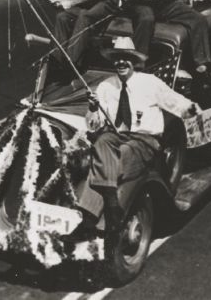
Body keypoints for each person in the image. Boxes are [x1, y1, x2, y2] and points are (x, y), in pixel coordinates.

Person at [66, 37, 198, 240]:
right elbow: (94, 125)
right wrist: (93, 109)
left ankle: (93, 217)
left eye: (125, 58)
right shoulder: (105, 87)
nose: (121, 63)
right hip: (115, 137)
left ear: (133, 61)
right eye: (117, 59)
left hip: (144, 140)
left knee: (114, 158)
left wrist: (191, 108)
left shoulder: (150, 82)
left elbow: (173, 101)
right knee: (101, 143)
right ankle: (108, 205)